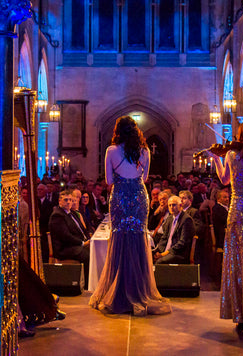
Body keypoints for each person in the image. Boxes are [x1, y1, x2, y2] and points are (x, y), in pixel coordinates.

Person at [89, 115, 171, 316]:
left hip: (119, 196)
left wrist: (120, 175)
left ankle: (118, 291)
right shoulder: (144, 151)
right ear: (135, 131)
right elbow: (144, 177)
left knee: (119, 237)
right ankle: (140, 290)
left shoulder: (111, 150)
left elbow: (109, 179)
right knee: (137, 236)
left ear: (118, 131)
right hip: (138, 196)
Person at [209, 118, 243, 334]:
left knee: (238, 264)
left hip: (237, 213)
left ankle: (241, 316)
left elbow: (223, 180)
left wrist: (215, 158)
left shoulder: (232, 155)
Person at [153, 195, 195, 264]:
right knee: (149, 256)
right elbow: (164, 238)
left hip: (179, 253)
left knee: (160, 262)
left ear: (180, 205)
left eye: (174, 205)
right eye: (169, 205)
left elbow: (182, 242)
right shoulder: (170, 218)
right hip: (167, 250)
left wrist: (164, 254)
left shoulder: (186, 219)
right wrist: (158, 251)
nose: (171, 207)